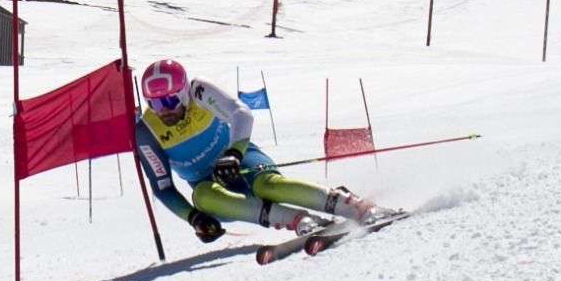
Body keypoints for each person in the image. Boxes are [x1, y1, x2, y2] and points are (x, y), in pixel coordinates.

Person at [132, 57, 395, 243]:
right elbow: (162, 187)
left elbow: (241, 114)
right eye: (153, 103)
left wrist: (234, 152)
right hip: (211, 187)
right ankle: (298, 220)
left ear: (183, 93)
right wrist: (194, 219)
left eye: (169, 100)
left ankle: (356, 207)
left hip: (241, 159)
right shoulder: (147, 131)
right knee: (202, 196)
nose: (163, 109)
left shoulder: (199, 91)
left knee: (267, 186)